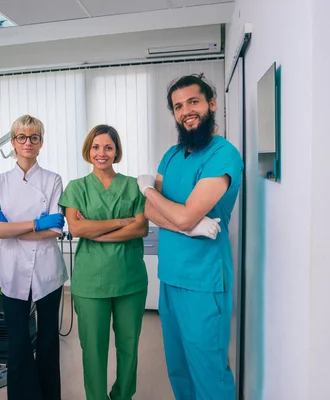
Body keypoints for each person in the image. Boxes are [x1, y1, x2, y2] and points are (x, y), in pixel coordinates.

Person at [138, 73, 244, 400]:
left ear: (211, 104)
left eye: (193, 101)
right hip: (170, 276)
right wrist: (189, 226)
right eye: (178, 106)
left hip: (204, 280)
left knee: (209, 373)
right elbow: (149, 212)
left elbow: (173, 210)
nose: (186, 111)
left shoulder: (222, 155)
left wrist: (148, 189)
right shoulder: (172, 154)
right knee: (179, 369)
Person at [59, 124, 149, 400]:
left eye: (108, 147)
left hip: (129, 279)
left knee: (129, 345)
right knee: (94, 349)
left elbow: (141, 229)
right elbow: (77, 229)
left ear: (116, 151)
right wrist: (122, 222)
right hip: (91, 282)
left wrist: (97, 231)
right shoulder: (77, 188)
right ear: (88, 150)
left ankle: (123, 395)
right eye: (96, 147)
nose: (102, 153)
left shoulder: (134, 186)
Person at [0, 114, 67, 400]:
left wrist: (10, 226)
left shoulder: (53, 179)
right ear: (13, 142)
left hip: (46, 271)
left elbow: (55, 229)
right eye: (21, 137)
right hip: (13, 270)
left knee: (47, 341)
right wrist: (35, 224)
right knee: (18, 344)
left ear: (41, 143)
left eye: (34, 137)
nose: (27, 142)